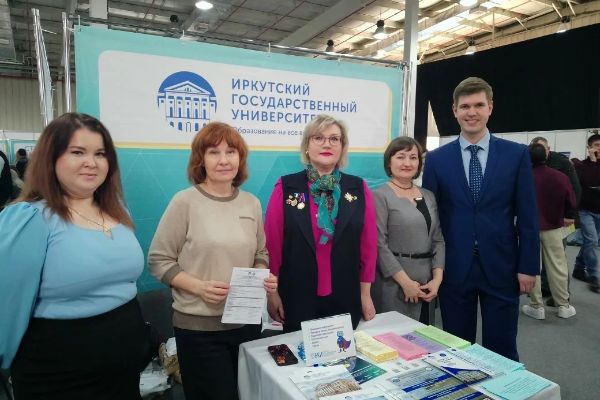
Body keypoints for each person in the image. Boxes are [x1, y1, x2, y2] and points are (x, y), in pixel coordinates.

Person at [0, 112, 147, 399]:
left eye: (100, 153)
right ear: (51, 158)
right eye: (78, 152)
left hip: (125, 371)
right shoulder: (30, 219)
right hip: (59, 375)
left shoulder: (117, 210)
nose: (91, 162)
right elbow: (6, 304)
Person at [148, 122, 277, 400]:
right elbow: (159, 260)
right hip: (199, 329)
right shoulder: (185, 202)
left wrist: (260, 273)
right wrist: (199, 287)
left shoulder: (251, 203)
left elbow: (261, 252)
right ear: (201, 159)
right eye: (214, 152)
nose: (223, 160)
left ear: (240, 158)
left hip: (246, 324)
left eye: (231, 152)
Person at [422, 77, 539, 361]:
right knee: (457, 349)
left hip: (502, 266)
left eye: (478, 105)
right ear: (454, 110)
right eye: (465, 106)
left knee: (502, 350)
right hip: (454, 267)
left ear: (490, 108)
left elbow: (528, 216)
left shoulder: (516, 155)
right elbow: (432, 220)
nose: (471, 112)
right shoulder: (437, 160)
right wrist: (432, 268)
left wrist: (528, 266)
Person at [264, 114, 377, 332]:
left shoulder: (357, 188)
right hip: (296, 297)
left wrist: (365, 294)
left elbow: (368, 247)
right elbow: (273, 245)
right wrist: (273, 294)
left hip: (346, 297)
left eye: (334, 139)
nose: (327, 144)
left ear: (342, 147)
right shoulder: (287, 187)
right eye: (318, 138)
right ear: (307, 146)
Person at [371, 137, 444, 323]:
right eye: (400, 157)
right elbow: (379, 245)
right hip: (394, 283)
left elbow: (437, 239)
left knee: (424, 336)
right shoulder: (379, 196)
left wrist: (437, 279)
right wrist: (406, 283)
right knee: (394, 337)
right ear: (389, 162)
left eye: (413, 157)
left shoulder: (428, 195)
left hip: (427, 283)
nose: (407, 163)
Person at [522, 143, 577, 319]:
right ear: (547, 155)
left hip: (528, 229)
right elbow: (571, 201)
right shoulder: (560, 177)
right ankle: (563, 305)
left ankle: (536, 306)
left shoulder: (523, 177)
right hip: (553, 227)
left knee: (532, 266)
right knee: (558, 265)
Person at [573, 133, 600, 293]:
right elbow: (590, 181)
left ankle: (578, 267)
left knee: (590, 242)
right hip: (585, 210)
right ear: (589, 148)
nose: (599, 149)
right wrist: (593, 161)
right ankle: (594, 276)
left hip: (599, 210)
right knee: (592, 241)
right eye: (597, 146)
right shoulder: (581, 165)